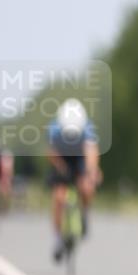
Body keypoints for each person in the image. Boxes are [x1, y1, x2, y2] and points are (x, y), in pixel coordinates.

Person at [47, 98, 101, 260]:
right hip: (62, 160)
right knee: (58, 198)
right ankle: (57, 239)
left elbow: (92, 152)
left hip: (80, 159)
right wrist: (61, 167)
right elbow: (51, 153)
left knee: (87, 187)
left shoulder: (87, 128)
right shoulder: (54, 128)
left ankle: (84, 212)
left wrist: (91, 171)